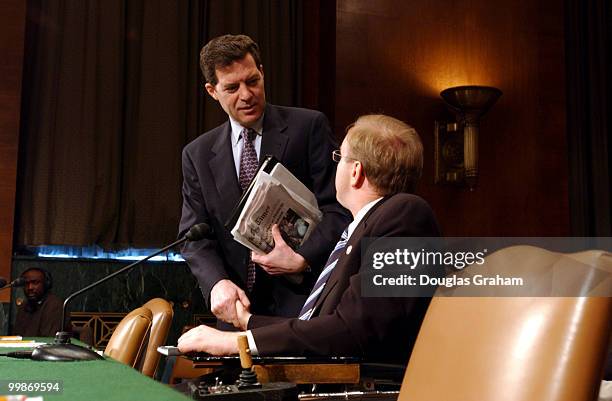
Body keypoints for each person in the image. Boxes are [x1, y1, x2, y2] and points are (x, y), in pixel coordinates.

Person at [177, 114, 441, 363]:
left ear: (356, 172)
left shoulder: (405, 215)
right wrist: (247, 321)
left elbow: (352, 330)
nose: (335, 165)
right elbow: (320, 326)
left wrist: (235, 343)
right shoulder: (360, 229)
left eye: (339, 157)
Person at [179, 34, 350, 328]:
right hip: (237, 314)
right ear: (212, 90)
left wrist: (303, 258)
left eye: (252, 81)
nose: (246, 95)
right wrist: (217, 283)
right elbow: (194, 238)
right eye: (232, 87)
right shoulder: (197, 154)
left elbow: (340, 209)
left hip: (304, 307)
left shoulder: (307, 128)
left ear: (262, 72)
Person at [13, 268, 64, 337]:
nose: (30, 287)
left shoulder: (55, 305)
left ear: (46, 285)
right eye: (26, 284)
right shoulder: (24, 305)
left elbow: (49, 339)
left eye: (35, 283)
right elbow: (16, 335)